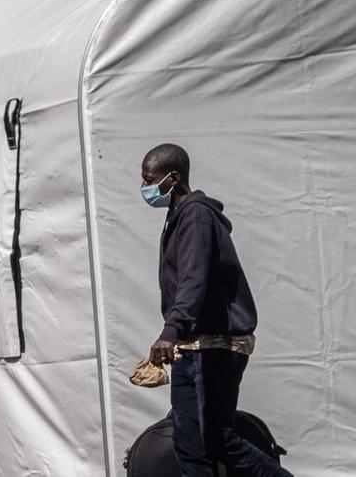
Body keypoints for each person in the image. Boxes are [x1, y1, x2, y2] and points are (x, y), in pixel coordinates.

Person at [139, 143, 291, 477]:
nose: (144, 188)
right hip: (191, 347)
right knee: (189, 445)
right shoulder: (178, 216)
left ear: (174, 178)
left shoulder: (196, 215)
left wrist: (170, 331)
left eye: (150, 180)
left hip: (217, 345)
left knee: (219, 440)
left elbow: (195, 279)